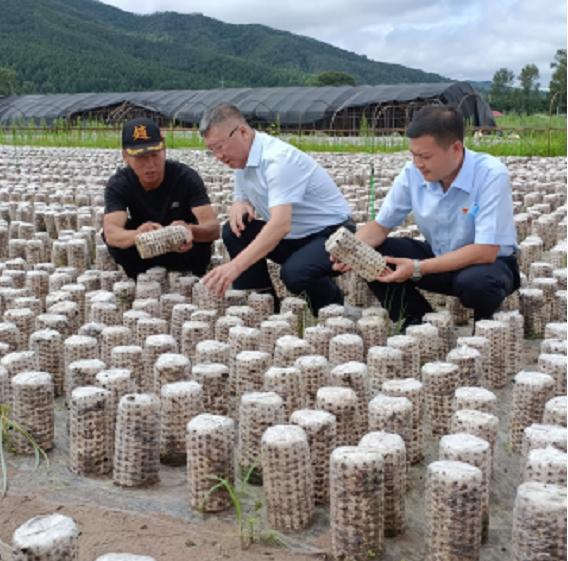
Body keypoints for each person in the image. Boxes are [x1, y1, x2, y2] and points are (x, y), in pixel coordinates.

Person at [333, 105, 520, 328]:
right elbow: (380, 226)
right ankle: (416, 321)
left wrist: (418, 268)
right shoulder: (412, 172)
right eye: (414, 155)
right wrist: (351, 251)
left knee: (476, 284)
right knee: (370, 252)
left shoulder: (490, 174)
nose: (418, 163)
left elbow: (485, 251)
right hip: (437, 255)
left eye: (425, 156)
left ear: (456, 149)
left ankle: (485, 326)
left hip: (486, 265)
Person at [199, 104, 354, 315]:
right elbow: (241, 193)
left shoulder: (277, 160)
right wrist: (239, 202)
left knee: (295, 274)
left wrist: (234, 267)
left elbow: (280, 224)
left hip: (332, 234)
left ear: (242, 132)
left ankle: (334, 308)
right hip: (295, 236)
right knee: (235, 230)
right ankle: (263, 304)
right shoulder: (241, 159)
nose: (218, 155)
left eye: (220, 147)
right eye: (212, 150)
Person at [103, 117, 220, 278]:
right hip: (145, 253)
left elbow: (213, 228)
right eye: (141, 157)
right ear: (126, 156)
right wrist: (139, 235)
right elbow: (111, 232)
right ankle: (137, 276)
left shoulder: (186, 177)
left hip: (183, 252)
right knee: (119, 238)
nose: (150, 164)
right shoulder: (119, 183)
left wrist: (190, 230)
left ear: (164, 149)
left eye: (155, 154)